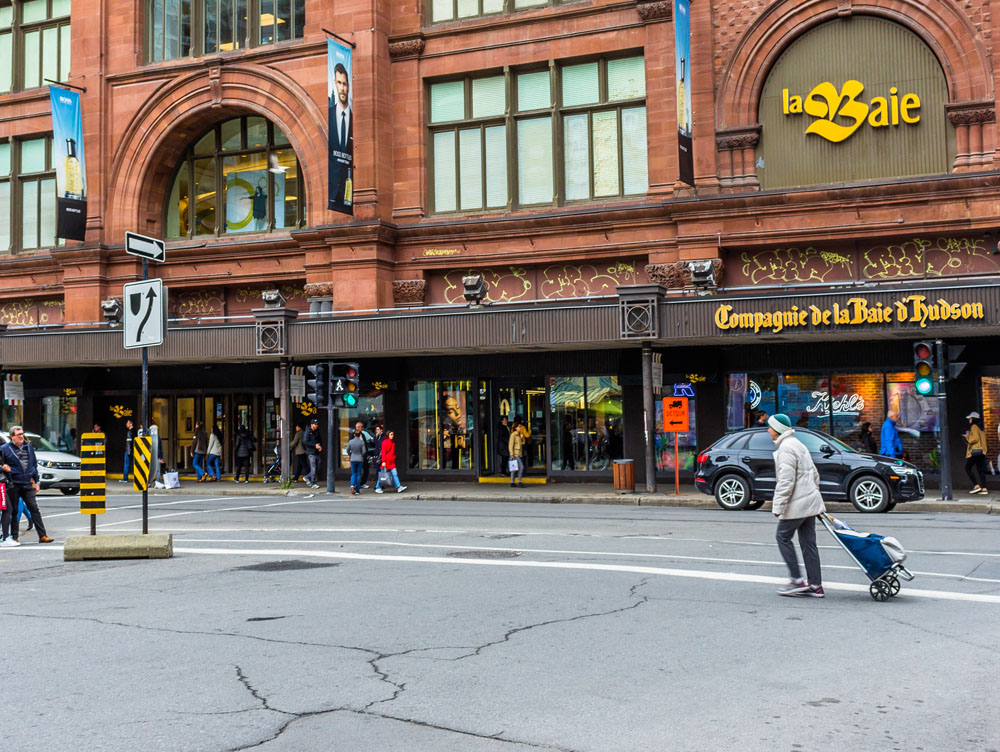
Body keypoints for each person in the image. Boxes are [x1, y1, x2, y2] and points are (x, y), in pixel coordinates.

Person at [767, 413, 825, 598]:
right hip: (809, 500)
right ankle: (816, 585)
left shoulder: (786, 449)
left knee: (782, 536)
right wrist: (813, 493)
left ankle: (796, 580)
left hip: (798, 503)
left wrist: (778, 507)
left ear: (777, 431)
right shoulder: (799, 444)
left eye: (770, 428)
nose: (768, 430)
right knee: (809, 543)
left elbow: (786, 481)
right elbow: (814, 474)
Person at [0, 426, 54, 546]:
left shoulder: (28, 447)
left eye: (22, 434)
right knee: (14, 510)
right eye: (18, 434)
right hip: (13, 484)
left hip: (27, 483)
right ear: (12, 436)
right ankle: (14, 537)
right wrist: (4, 469)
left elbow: (33, 465)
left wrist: (37, 482)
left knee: (34, 509)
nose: (21, 436)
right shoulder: (4, 449)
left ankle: (42, 535)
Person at [328, 61, 354, 213]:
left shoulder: (354, 118)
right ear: (334, 84)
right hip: (332, 195)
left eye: (345, 84)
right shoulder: (329, 115)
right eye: (339, 83)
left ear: (349, 86)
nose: (342, 88)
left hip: (348, 195)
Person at [963, 411, 988, 495]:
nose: (969, 420)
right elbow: (983, 441)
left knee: (967, 468)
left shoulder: (973, 427)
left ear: (973, 419)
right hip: (981, 452)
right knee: (980, 470)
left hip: (975, 452)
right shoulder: (980, 429)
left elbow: (975, 439)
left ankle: (976, 486)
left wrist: (967, 437)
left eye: (970, 418)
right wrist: (984, 451)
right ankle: (984, 488)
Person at [303, 418, 322, 489]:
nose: (316, 426)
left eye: (317, 424)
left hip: (316, 451)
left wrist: (319, 446)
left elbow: (319, 439)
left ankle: (307, 477)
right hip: (310, 452)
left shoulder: (317, 431)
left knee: (318, 465)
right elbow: (305, 442)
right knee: (313, 467)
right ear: (311, 425)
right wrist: (314, 446)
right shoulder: (308, 431)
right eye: (315, 424)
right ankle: (313, 482)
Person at [347, 429, 366, 495]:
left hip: (353, 458)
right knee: (358, 474)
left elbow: (347, 450)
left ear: (354, 434)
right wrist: (361, 455)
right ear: (360, 435)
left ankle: (352, 485)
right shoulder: (362, 442)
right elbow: (364, 451)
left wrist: (351, 454)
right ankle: (357, 490)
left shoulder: (351, 441)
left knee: (353, 474)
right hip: (360, 459)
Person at [356, 420, 372, 489]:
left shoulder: (363, 434)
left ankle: (362, 483)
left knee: (366, 469)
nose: (363, 428)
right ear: (358, 427)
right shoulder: (353, 435)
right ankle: (356, 484)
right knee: (358, 471)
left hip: (364, 455)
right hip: (358, 456)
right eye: (362, 427)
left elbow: (368, 441)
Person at [509, 418, 525, 487]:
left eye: (520, 426)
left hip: (519, 453)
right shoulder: (513, 435)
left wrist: (521, 438)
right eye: (519, 426)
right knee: (520, 467)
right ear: (516, 428)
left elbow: (522, 443)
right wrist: (511, 454)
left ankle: (513, 482)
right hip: (515, 454)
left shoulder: (519, 435)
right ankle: (519, 481)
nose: (520, 427)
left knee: (515, 468)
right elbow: (510, 445)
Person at [121, 419, 134, 483]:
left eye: (127, 423)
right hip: (133, 450)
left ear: (131, 424)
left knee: (126, 464)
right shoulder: (134, 431)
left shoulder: (130, 432)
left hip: (129, 450)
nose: (126, 424)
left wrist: (128, 452)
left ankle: (125, 478)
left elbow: (129, 443)